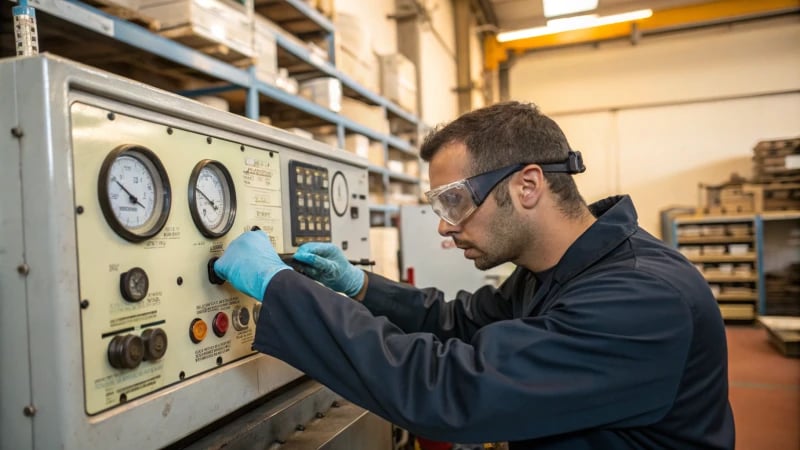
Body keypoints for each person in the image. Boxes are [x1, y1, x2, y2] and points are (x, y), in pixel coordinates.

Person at [213, 101, 735, 449]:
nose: (443, 225)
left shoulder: (642, 299)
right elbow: (460, 324)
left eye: (455, 201)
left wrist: (279, 287)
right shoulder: (560, 269)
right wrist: (358, 286)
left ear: (527, 186)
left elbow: (446, 389)